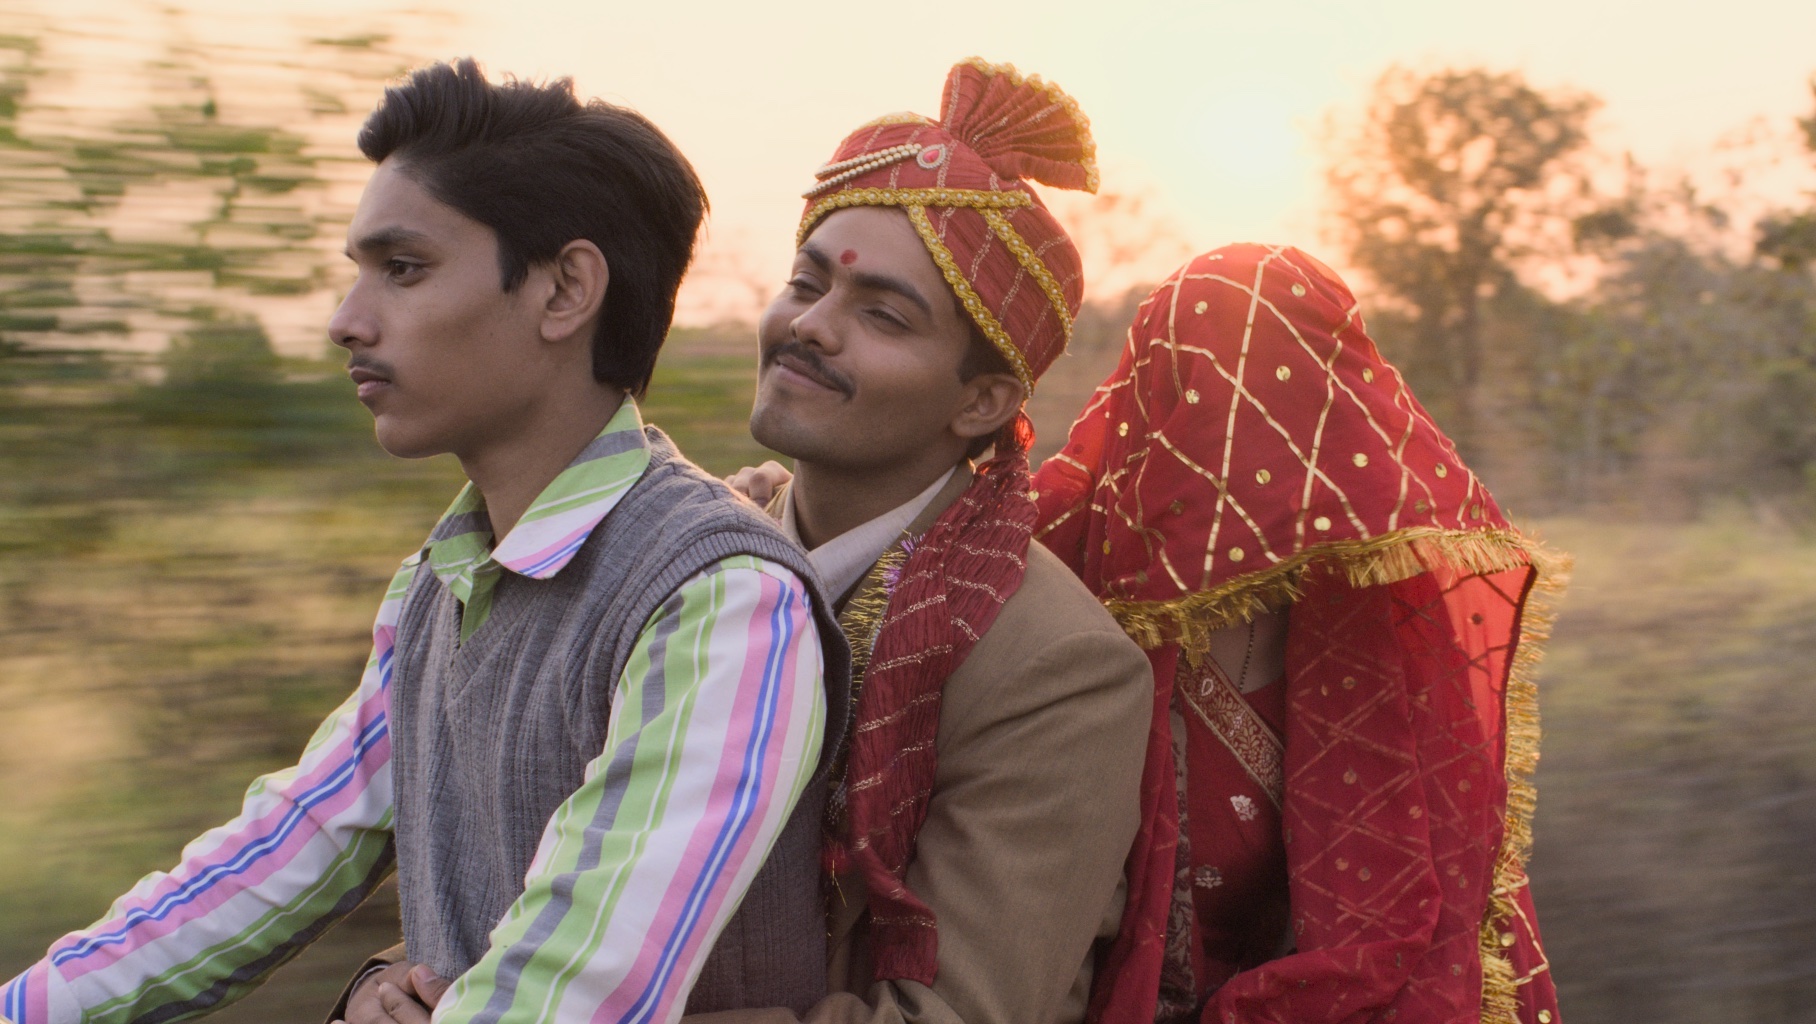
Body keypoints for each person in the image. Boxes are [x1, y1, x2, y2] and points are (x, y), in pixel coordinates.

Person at [1, 59, 851, 1024]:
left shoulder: (720, 601)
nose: (344, 321)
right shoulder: (440, 588)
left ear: (566, 290)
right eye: (356, 272)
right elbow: (276, 857)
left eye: (402, 270)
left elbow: (569, 987)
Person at [343, 58, 1153, 1024]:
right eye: (805, 283)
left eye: (882, 315)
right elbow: (563, 863)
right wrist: (392, 983)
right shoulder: (685, 562)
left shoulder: (1055, 668)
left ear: (982, 401)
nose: (810, 327)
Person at [1032, 243, 1564, 1023]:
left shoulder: (1390, 629)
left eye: (1275, 402)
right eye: (1202, 396)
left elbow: (1418, 925)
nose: (1242, 446)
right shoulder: (1061, 564)